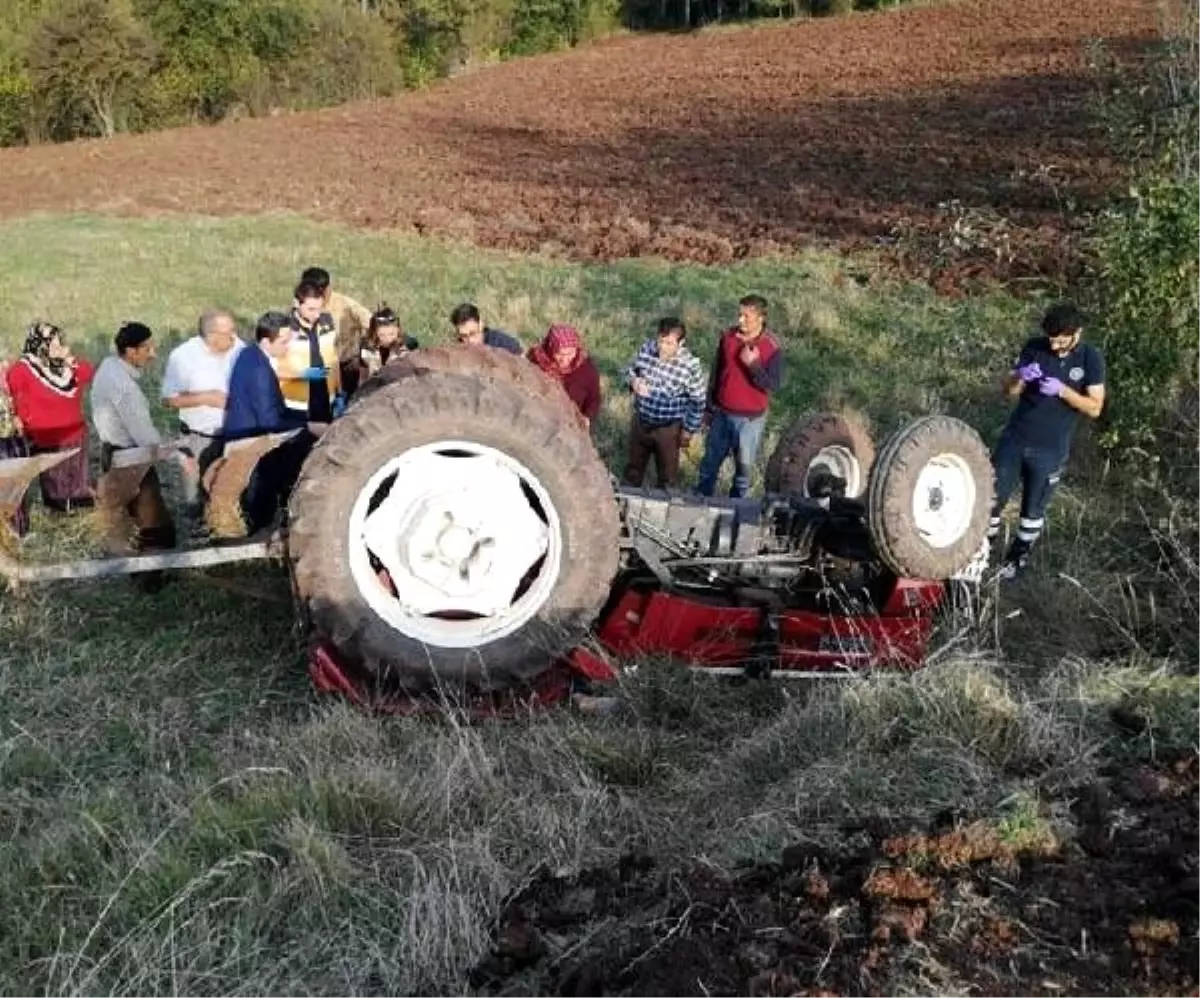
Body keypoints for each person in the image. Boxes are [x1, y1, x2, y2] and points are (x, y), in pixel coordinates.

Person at [989, 301, 1106, 580]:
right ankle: (979, 552)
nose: (1054, 346)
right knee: (991, 499)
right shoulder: (1034, 347)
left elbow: (1095, 407)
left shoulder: (1090, 358)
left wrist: (1063, 391)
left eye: (1061, 341)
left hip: (1050, 448)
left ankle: (1015, 563)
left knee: (1032, 509)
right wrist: (1019, 377)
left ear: (1076, 333)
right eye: (1051, 340)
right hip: (1015, 439)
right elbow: (1007, 391)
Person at [223, 311, 327, 533]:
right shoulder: (260, 370)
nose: (287, 347)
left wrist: (307, 419)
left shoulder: (249, 354)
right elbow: (269, 420)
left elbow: (275, 410)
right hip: (250, 441)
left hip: (250, 431)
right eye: (283, 342)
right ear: (265, 341)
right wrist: (307, 426)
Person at [90, 322, 177, 587]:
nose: (153, 354)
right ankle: (148, 581)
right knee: (154, 525)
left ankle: (142, 573)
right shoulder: (126, 389)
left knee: (133, 519)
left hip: (111, 452)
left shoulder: (108, 366)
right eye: (147, 349)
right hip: (131, 459)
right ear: (130, 351)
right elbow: (146, 438)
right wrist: (177, 453)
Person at [697, 295, 784, 498]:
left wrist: (753, 365)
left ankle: (735, 511)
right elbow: (716, 372)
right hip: (721, 414)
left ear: (761, 317)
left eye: (747, 316)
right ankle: (700, 502)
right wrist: (709, 408)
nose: (740, 321)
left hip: (750, 421)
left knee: (742, 474)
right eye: (739, 315)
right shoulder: (727, 337)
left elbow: (773, 384)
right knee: (708, 467)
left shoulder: (772, 347)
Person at [5, 321, 96, 513]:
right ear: (39, 345)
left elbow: (88, 373)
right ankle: (60, 510)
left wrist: (70, 359)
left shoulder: (65, 365)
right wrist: (19, 420)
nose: (57, 347)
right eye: (51, 343)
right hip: (47, 436)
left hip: (75, 432)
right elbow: (12, 395)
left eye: (58, 342)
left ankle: (77, 506)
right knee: (56, 481)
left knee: (77, 476)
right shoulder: (23, 369)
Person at [159, 307, 244, 505]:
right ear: (211, 335)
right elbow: (168, 399)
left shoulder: (240, 349)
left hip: (233, 435)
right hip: (198, 438)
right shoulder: (183, 357)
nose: (234, 336)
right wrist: (207, 398)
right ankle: (196, 530)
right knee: (196, 496)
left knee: (228, 492)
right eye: (228, 333)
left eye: (234, 330)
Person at [620, 318, 707, 488]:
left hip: (668, 429)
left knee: (667, 475)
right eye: (660, 341)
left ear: (681, 343)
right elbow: (626, 370)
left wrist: (689, 430)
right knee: (633, 469)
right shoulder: (646, 349)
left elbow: (697, 401)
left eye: (669, 343)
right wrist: (633, 381)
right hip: (642, 422)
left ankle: (661, 506)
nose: (662, 347)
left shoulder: (690, 366)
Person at [299, 266, 373, 397]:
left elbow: (371, 322)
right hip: (314, 366)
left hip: (346, 365)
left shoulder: (346, 305)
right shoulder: (299, 307)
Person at [279, 280, 341, 423]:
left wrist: (339, 392)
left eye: (319, 308)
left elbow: (334, 358)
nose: (317, 315)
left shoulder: (328, 322)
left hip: (326, 398)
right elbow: (272, 368)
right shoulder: (284, 329)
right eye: (311, 309)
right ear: (296, 304)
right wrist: (302, 374)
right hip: (296, 405)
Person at [527, 324, 602, 425]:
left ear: (577, 349)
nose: (565, 359)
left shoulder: (587, 371)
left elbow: (594, 399)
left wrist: (587, 417)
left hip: (569, 422)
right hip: (539, 413)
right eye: (559, 354)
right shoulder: (536, 360)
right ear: (550, 349)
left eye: (570, 353)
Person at [0, 360, 30, 536]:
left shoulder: (4, 371)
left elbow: (11, 402)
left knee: (16, 486)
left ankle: (17, 530)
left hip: (10, 439)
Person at [358, 304, 418, 388]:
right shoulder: (366, 347)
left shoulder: (408, 345)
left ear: (398, 330)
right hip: (373, 385)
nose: (387, 339)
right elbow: (363, 375)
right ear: (374, 333)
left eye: (391, 334)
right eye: (382, 335)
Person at [450, 303, 522, 354]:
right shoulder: (457, 350)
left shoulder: (504, 344)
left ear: (481, 324)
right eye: (464, 336)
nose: (470, 341)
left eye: (473, 333)